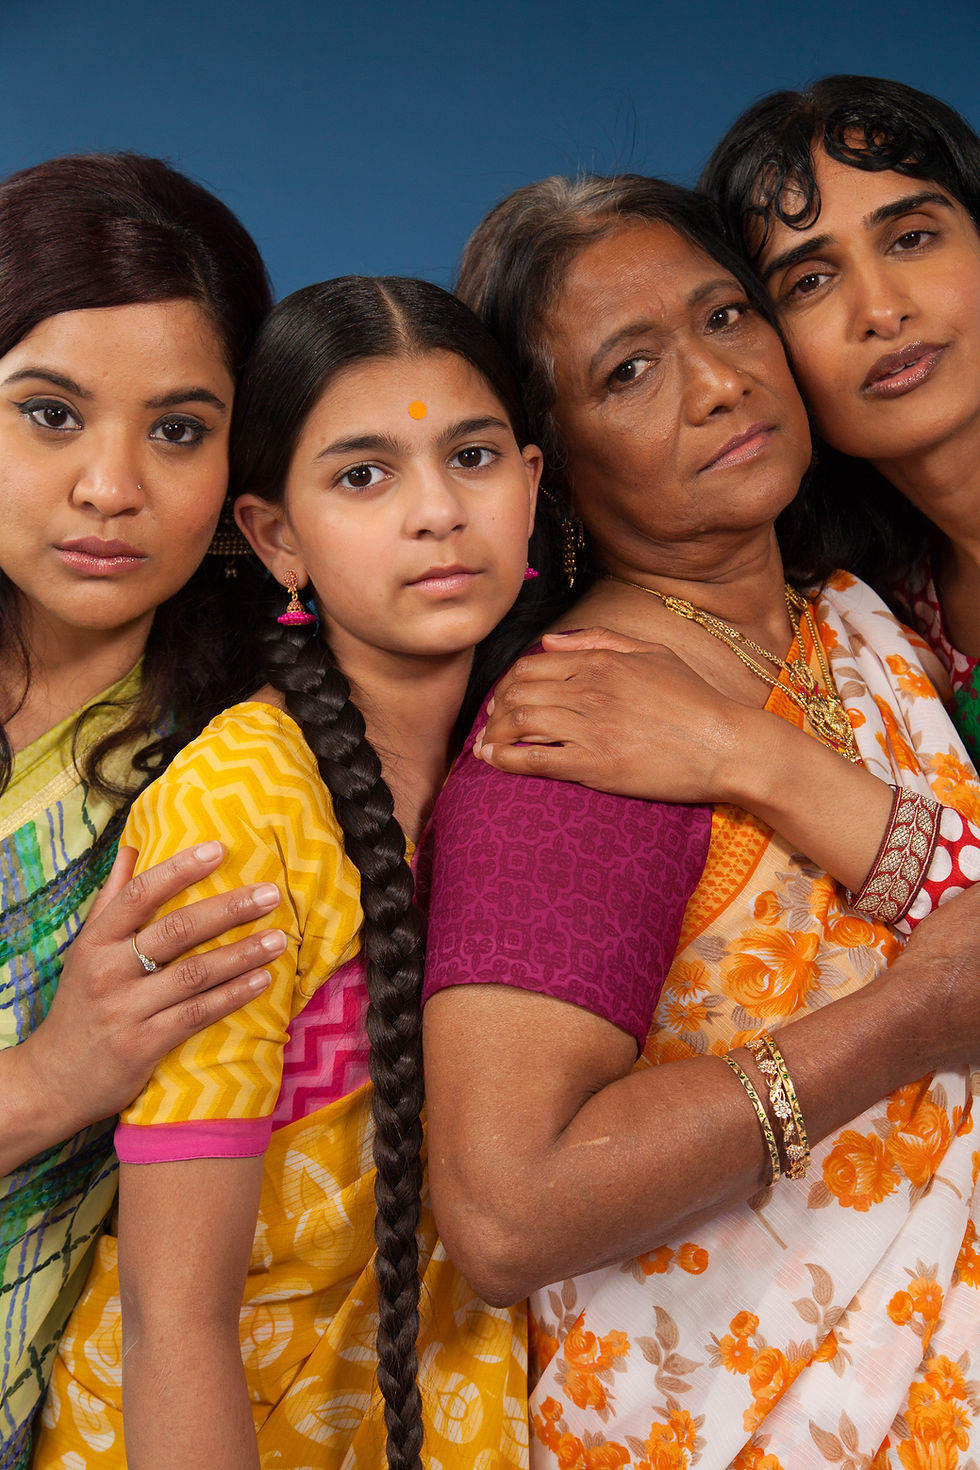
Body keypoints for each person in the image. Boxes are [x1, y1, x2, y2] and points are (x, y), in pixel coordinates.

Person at [420, 176, 980, 1467]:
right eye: (629, 371)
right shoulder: (571, 731)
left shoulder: (861, 623)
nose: (721, 382)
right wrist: (904, 1023)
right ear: (549, 471)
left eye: (727, 316)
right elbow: (505, 1208)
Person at [34, 276, 543, 1470]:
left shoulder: (530, 753)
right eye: (362, 476)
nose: (435, 514)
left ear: (530, 485)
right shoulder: (243, 806)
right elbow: (178, 1320)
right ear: (275, 539)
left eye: (469, 457)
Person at [0, 152, 278, 1469]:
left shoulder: (244, 763)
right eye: (49, 413)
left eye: (176, 429)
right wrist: (50, 1080)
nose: (112, 485)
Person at [701, 74, 980, 766]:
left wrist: (751, 759)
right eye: (810, 283)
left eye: (912, 238)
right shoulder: (880, 607)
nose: (883, 311)